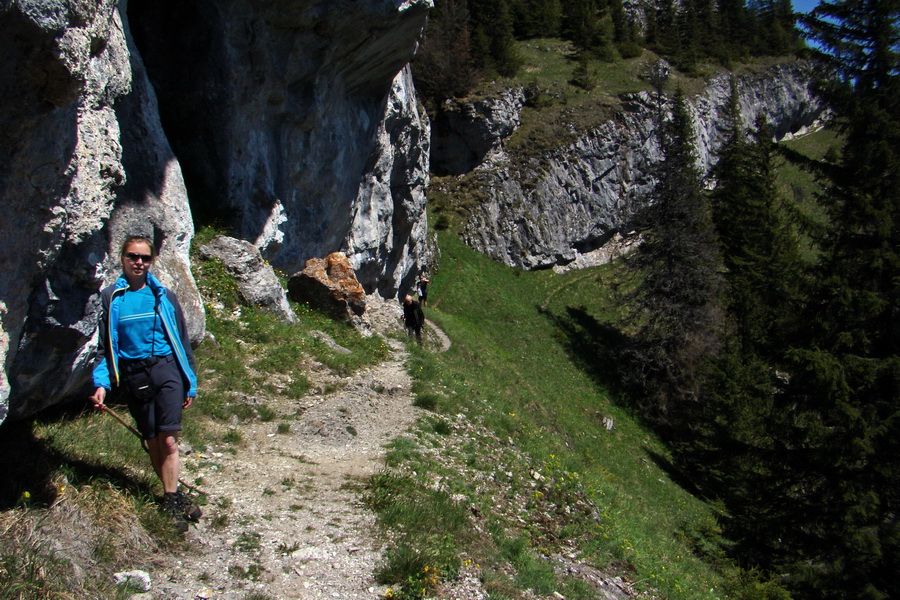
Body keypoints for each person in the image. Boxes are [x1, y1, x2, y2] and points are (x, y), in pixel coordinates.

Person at [90, 236, 200, 533]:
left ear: (152, 261)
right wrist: (101, 384)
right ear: (122, 258)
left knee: (168, 439)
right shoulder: (112, 298)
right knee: (151, 439)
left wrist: (190, 381)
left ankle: (170, 499)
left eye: (145, 258)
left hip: (166, 368)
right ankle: (174, 494)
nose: (139, 262)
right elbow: (105, 347)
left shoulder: (163, 296)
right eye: (132, 256)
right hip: (133, 374)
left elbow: (182, 342)